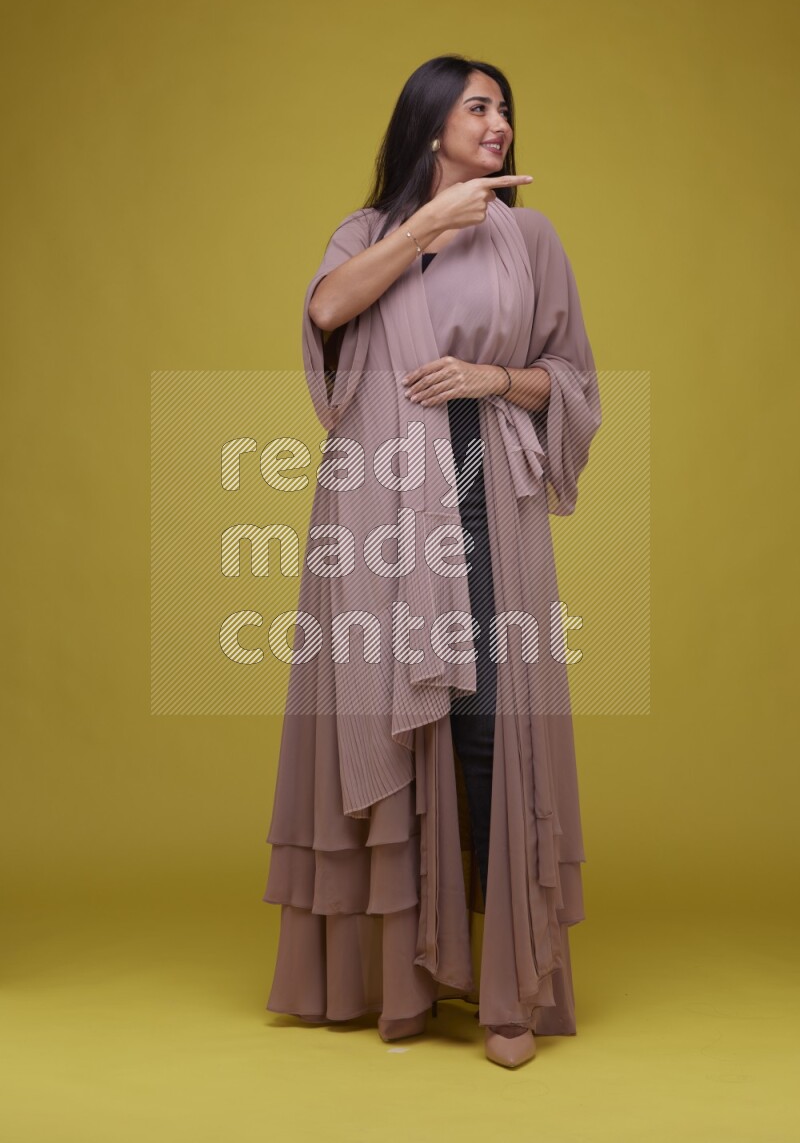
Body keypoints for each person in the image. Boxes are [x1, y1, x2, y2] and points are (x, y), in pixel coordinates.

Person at [262, 54, 602, 1069]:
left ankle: (504, 988)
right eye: (478, 107)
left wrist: (495, 374)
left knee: (491, 724)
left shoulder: (529, 239)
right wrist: (425, 225)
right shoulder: (367, 233)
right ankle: (399, 981)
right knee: (388, 721)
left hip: (485, 493)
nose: (498, 124)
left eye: (504, 110)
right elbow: (326, 313)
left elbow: (571, 376)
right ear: (429, 126)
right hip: (375, 508)